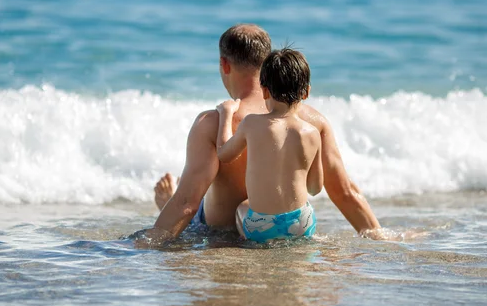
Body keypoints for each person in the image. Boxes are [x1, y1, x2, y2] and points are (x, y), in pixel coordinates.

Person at [139, 24, 382, 244]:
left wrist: (144, 243)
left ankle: (164, 203)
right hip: (294, 223)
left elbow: (186, 204)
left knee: (188, 199)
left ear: (224, 64)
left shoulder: (212, 122)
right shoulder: (312, 121)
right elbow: (343, 191)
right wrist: (378, 235)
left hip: (225, 231)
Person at [215, 48, 323, 242]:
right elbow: (315, 188)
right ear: (306, 92)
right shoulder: (312, 133)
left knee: (242, 208)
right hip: (302, 223)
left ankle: (251, 244)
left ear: (264, 91)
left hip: (262, 227)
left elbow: (224, 154)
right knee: (302, 211)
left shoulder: (251, 123)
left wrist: (226, 114)